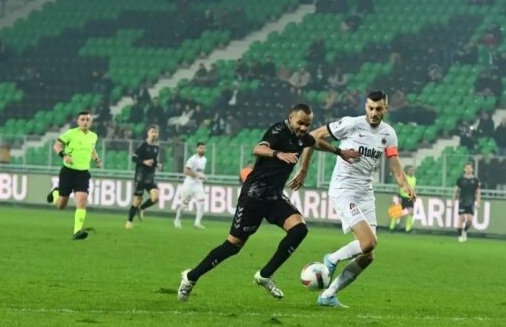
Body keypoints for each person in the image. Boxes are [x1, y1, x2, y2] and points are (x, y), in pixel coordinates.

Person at [177, 104, 360, 301]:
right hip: (253, 196)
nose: (303, 128)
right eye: (300, 123)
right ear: (291, 117)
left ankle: (265, 275)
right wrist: (277, 154)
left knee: (299, 229)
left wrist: (339, 152)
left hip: (274, 196)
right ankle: (190, 277)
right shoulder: (277, 131)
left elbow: (314, 142)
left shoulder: (301, 136)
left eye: (307, 124)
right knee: (233, 246)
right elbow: (258, 148)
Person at [292, 90, 416, 308]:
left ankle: (328, 295)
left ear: (386, 109)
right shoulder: (351, 124)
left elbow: (395, 166)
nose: (374, 113)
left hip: (365, 193)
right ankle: (331, 258)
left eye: (379, 108)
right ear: (365, 107)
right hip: (343, 189)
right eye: (370, 108)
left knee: (368, 255)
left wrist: (404, 183)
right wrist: (303, 169)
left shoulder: (389, 134)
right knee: (369, 242)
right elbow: (314, 137)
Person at [45, 111, 103, 240]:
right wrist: (64, 155)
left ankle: (77, 231)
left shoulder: (93, 136)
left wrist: (97, 159)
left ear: (90, 122)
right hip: (68, 172)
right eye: (82, 119)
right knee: (61, 205)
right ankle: (55, 193)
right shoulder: (70, 133)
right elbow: (57, 145)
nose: (85, 122)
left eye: (87, 120)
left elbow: (92, 149)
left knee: (82, 201)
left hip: (83, 174)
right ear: (78, 121)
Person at [126, 125, 162, 229]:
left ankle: (141, 208)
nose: (154, 134)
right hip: (140, 176)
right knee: (137, 199)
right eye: (152, 132)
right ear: (148, 133)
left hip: (150, 177)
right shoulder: (142, 145)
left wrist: (157, 164)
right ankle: (129, 221)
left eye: (156, 132)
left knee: (156, 197)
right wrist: (144, 162)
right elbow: (134, 158)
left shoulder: (156, 147)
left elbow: (153, 160)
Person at [174, 142, 208, 229]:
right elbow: (186, 171)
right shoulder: (192, 159)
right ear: (196, 149)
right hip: (189, 185)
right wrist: (198, 175)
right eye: (200, 148)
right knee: (184, 204)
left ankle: (197, 222)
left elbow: (200, 172)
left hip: (198, 185)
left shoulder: (204, 159)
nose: (202, 149)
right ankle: (177, 220)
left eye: (204, 148)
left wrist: (202, 177)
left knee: (202, 202)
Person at [453, 162, 481, 242]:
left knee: (470, 219)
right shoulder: (460, 179)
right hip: (462, 201)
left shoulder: (476, 180)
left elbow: (478, 192)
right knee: (461, 219)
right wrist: (454, 199)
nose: (468, 169)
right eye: (467, 168)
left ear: (472, 169)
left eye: (470, 168)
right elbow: (456, 190)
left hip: (471, 202)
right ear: (464, 169)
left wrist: (478, 202)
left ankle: (465, 230)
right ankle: (459, 236)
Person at [389, 165, 417, 233]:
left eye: (412, 170)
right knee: (397, 213)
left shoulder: (414, 179)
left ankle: (408, 229)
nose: (411, 171)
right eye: (410, 170)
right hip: (403, 197)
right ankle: (391, 227)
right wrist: (399, 196)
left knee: (411, 213)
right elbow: (399, 186)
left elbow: (413, 188)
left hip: (409, 198)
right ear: (407, 171)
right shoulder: (404, 178)